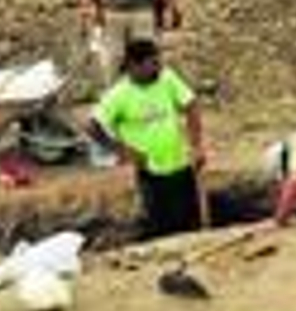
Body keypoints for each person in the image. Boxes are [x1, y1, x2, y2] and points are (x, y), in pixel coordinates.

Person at [87, 38, 208, 239]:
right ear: (134, 66)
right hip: (151, 172)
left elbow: (191, 106)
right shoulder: (119, 95)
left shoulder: (167, 79)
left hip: (182, 163)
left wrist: (196, 145)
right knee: (161, 223)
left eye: (158, 62)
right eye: (152, 64)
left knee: (189, 220)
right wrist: (123, 151)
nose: (158, 67)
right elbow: (92, 127)